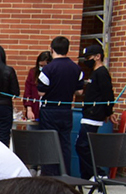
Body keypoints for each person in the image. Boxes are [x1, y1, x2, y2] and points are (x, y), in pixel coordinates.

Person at [37, 36, 84, 175]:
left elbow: (40, 91)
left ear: (51, 49)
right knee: (65, 144)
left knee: (49, 143)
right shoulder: (76, 68)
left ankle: (49, 176)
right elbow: (80, 90)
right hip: (66, 110)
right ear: (67, 49)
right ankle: (64, 175)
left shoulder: (48, 69)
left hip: (50, 110)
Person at [75, 43, 116, 180]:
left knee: (82, 145)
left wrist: (108, 112)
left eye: (89, 57)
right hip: (88, 113)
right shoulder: (95, 73)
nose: (87, 60)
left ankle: (97, 173)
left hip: (94, 114)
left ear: (98, 57)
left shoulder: (102, 73)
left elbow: (107, 94)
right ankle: (87, 174)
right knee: (83, 145)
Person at [23, 50, 52, 121]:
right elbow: (27, 92)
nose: (43, 68)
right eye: (41, 66)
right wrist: (29, 110)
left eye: (45, 66)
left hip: (48, 112)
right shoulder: (33, 73)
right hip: (34, 110)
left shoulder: (53, 74)